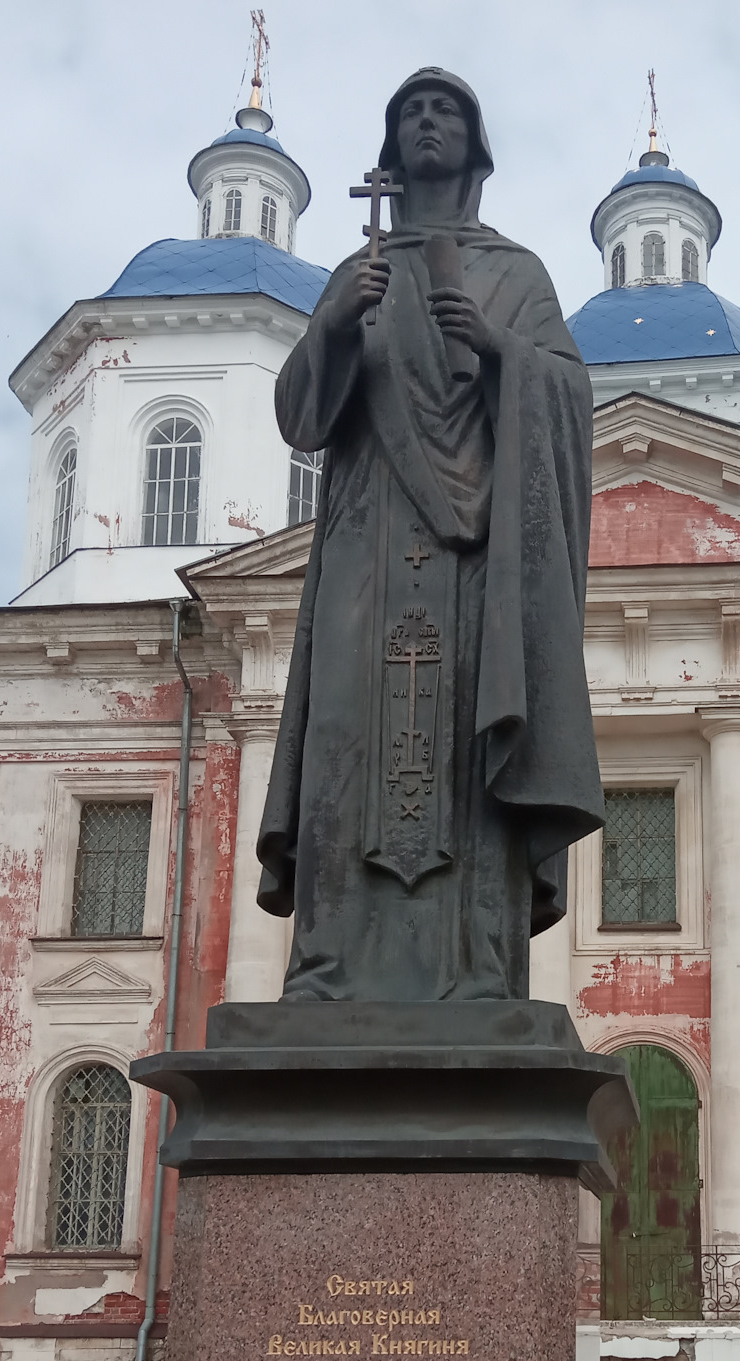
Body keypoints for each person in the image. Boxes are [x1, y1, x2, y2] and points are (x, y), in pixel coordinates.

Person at [256, 69, 602, 1002]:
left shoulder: (514, 273)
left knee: (462, 738)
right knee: (343, 735)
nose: (427, 122)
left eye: (445, 109)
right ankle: (326, 971)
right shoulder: (355, 274)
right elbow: (299, 419)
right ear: (390, 147)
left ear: (475, 145)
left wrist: (497, 351)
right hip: (365, 542)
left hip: (476, 559)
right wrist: (331, 323)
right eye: (411, 111)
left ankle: (476, 973)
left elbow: (570, 400)